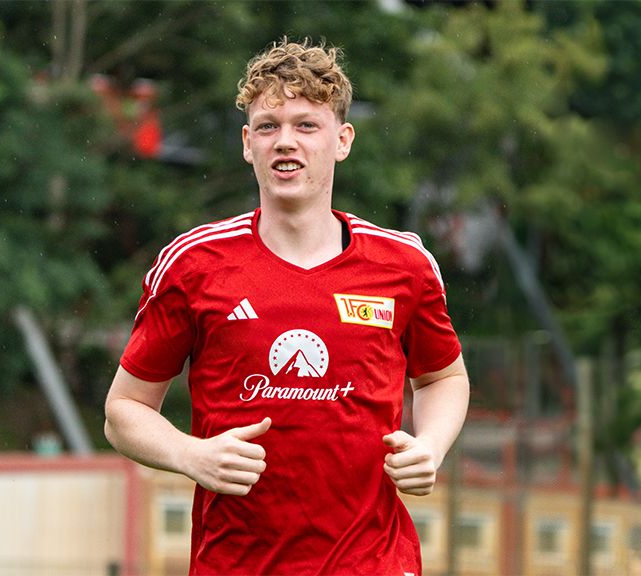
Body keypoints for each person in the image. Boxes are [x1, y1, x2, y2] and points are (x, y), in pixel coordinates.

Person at [104, 38, 470, 576]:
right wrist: (191, 455)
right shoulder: (194, 264)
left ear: (342, 140)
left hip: (372, 563)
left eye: (306, 125)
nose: (285, 141)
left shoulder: (404, 264)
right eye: (269, 126)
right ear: (248, 143)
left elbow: (443, 378)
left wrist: (430, 447)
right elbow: (123, 411)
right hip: (236, 564)